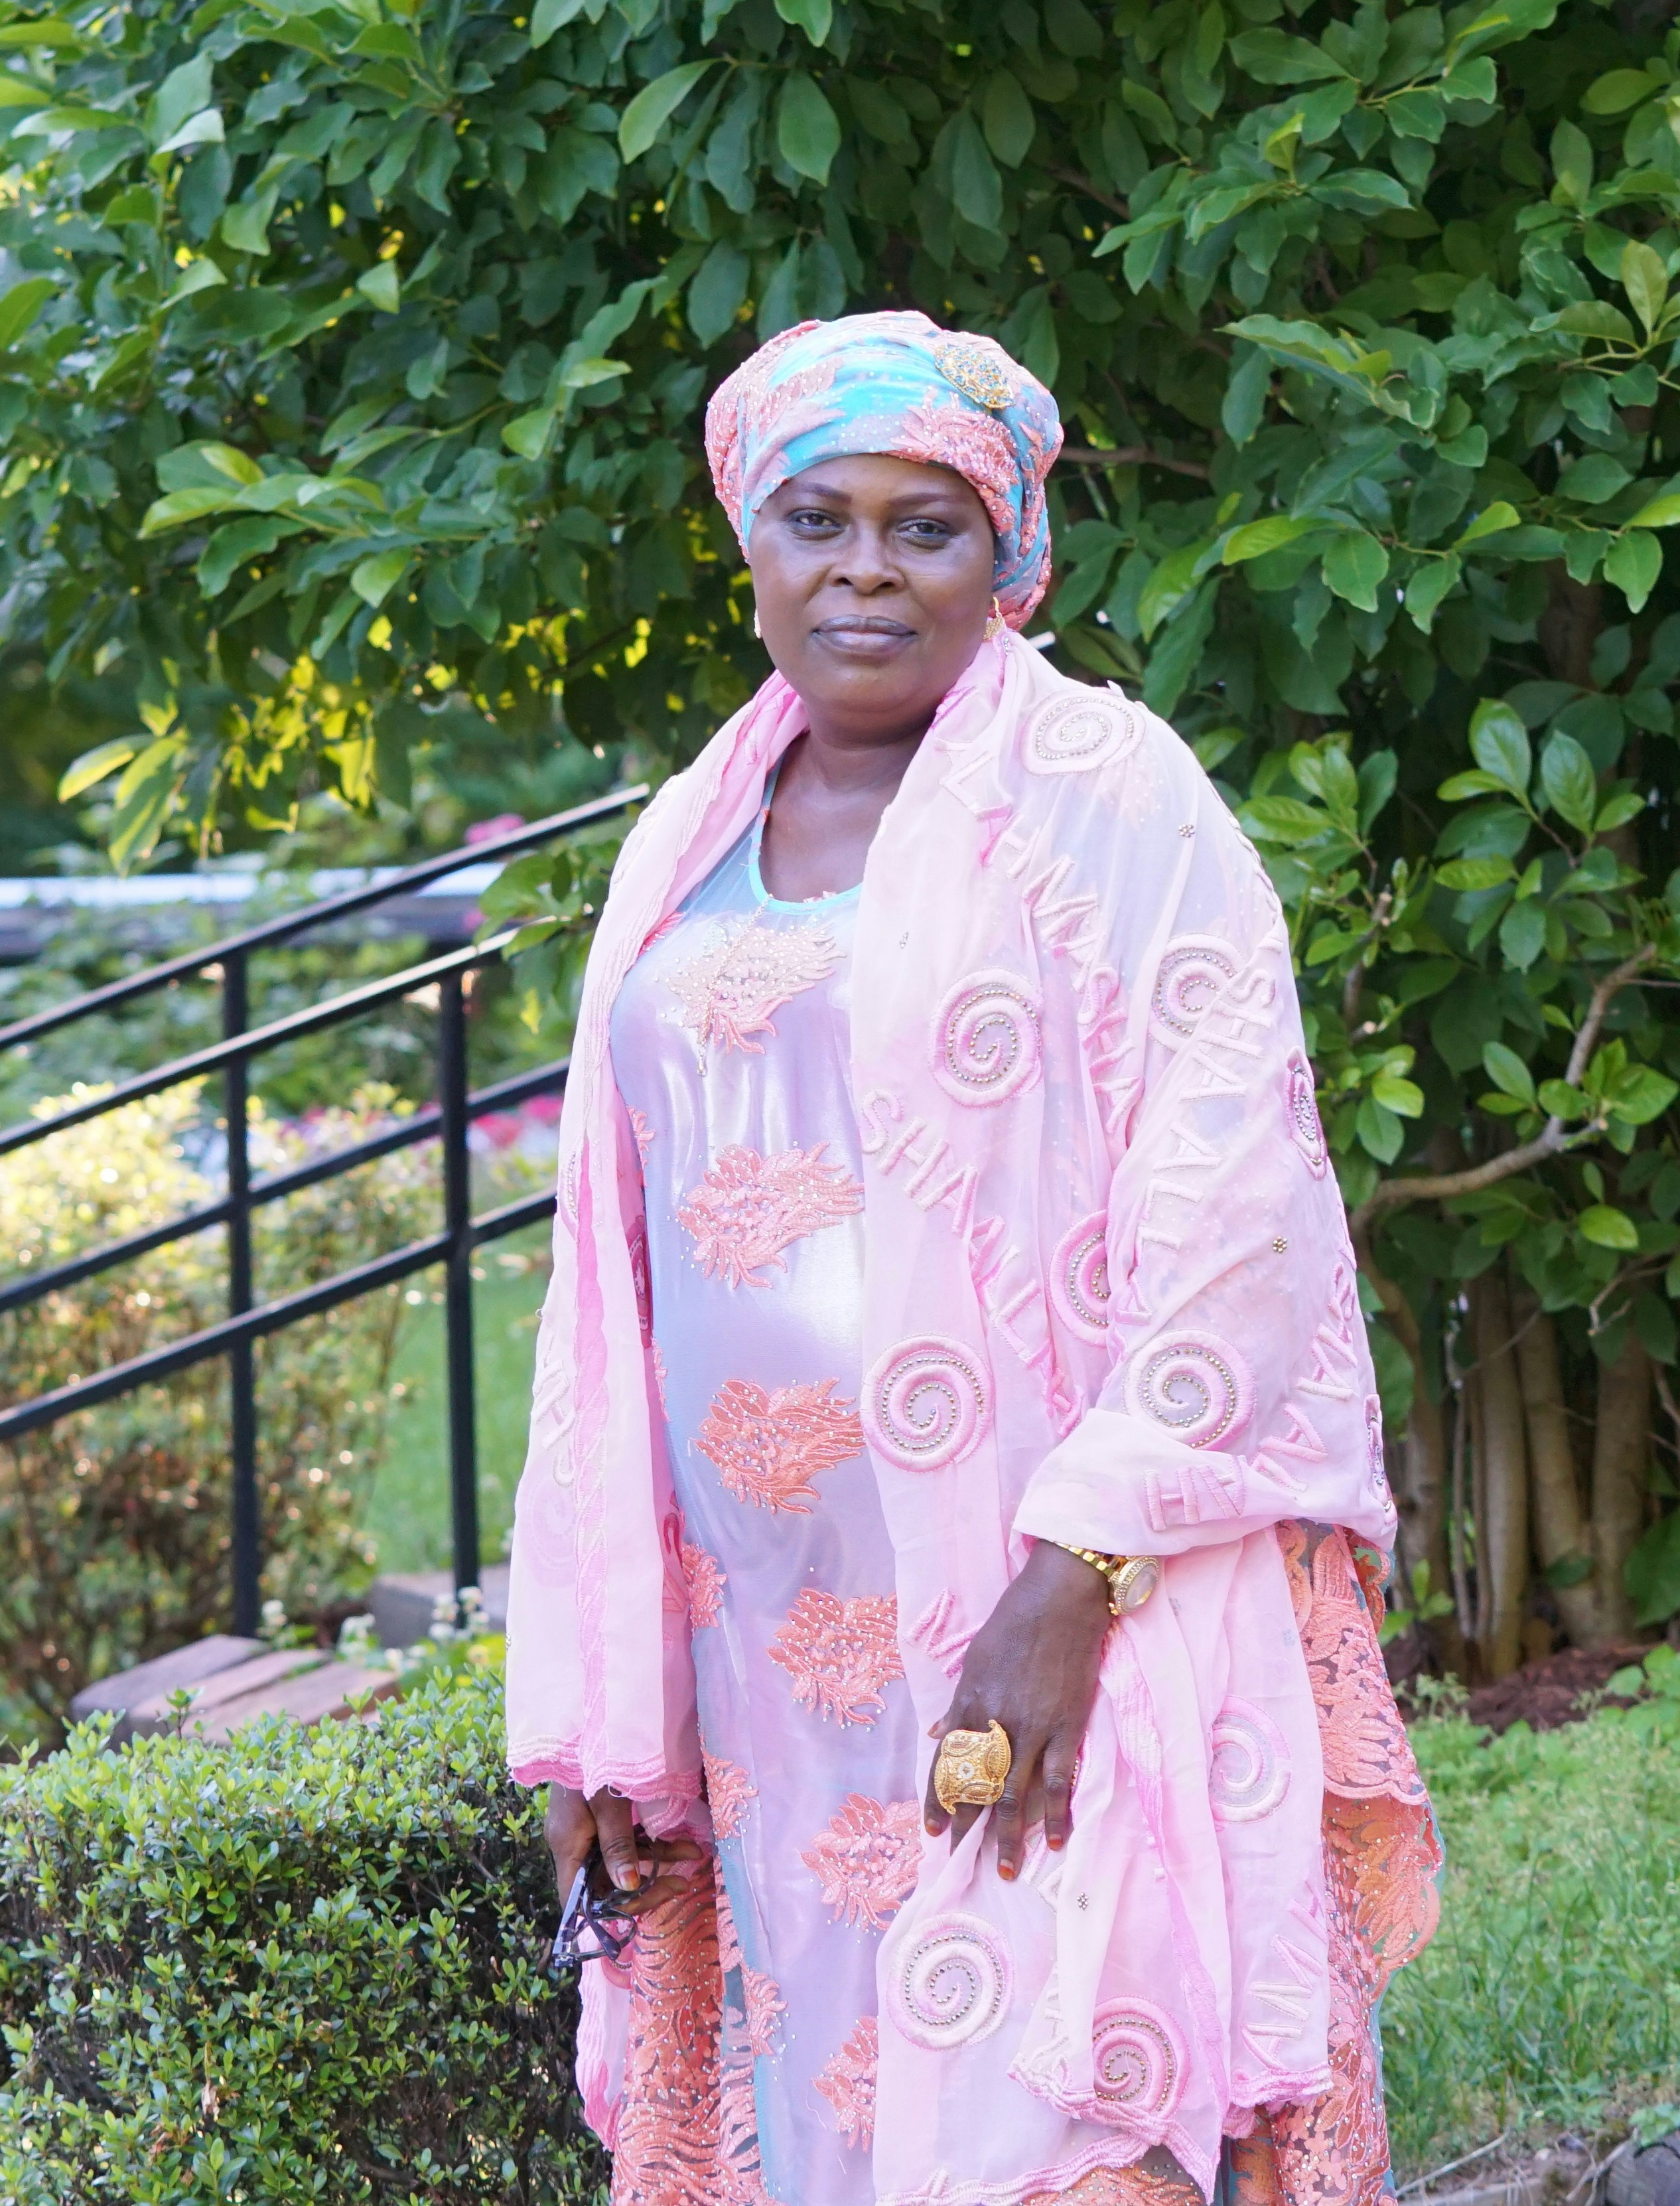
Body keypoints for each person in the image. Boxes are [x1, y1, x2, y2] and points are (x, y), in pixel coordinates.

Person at [506, 310, 1439, 2206]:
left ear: (1010, 559)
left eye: (924, 526)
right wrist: (606, 1702)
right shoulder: (686, 837)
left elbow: (1232, 1200)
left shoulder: (1109, 799)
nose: (865, 568)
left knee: (1075, 2096)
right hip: (759, 1652)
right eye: (816, 519)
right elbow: (597, 1297)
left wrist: (1073, 1577)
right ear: (748, 548)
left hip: (1041, 1609)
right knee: (831, 2102)